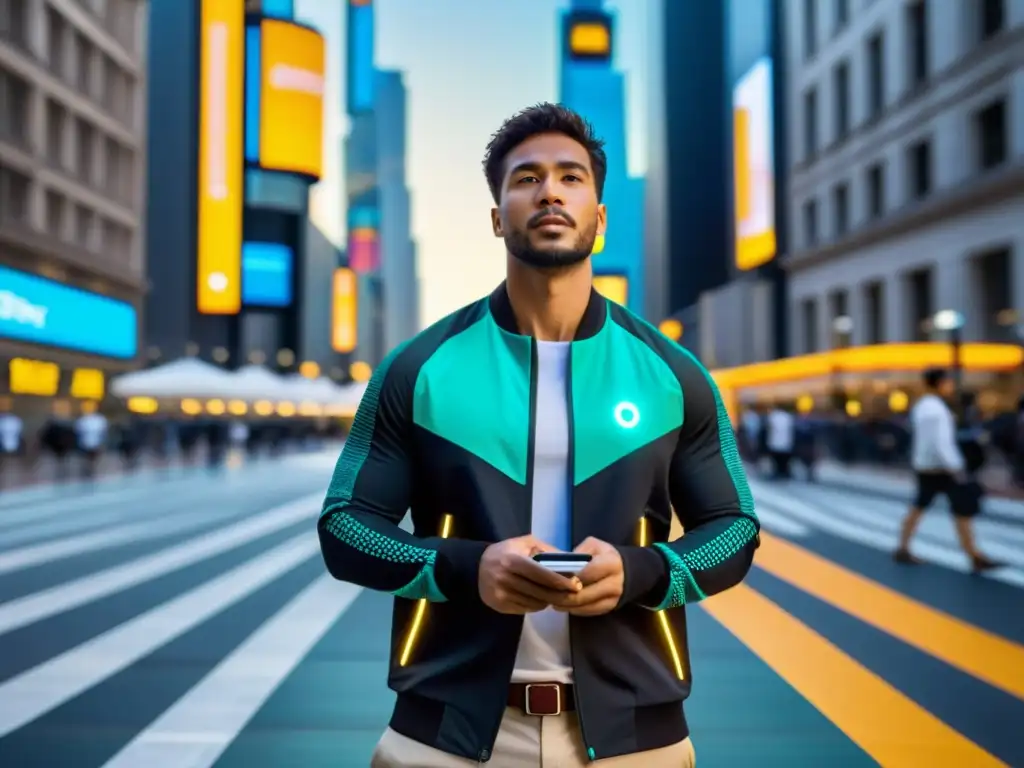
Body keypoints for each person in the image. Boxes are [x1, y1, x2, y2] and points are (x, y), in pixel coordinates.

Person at [318, 103, 759, 767]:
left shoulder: (673, 374)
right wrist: (467, 568)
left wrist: (644, 570)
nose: (549, 190)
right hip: (442, 736)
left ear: (600, 218)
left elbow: (734, 529)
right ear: (497, 216)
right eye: (526, 178)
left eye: (570, 177)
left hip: (635, 741)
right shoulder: (419, 368)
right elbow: (345, 527)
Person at [894, 368, 998, 571]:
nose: (950, 385)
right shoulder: (936, 409)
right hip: (941, 467)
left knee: (921, 506)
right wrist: (955, 467)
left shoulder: (922, 406)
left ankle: (903, 547)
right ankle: (974, 555)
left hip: (926, 465)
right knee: (961, 509)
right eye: (948, 382)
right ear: (940, 383)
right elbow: (940, 442)